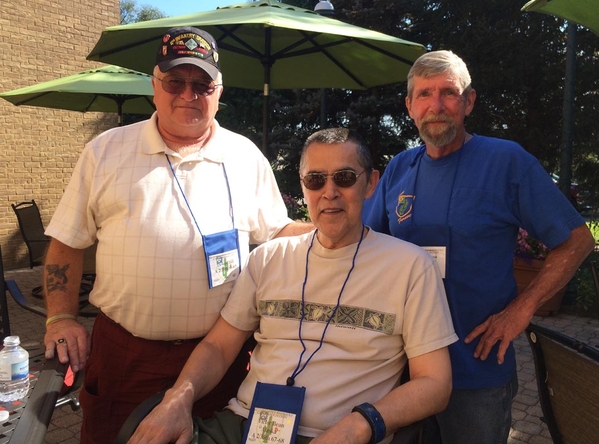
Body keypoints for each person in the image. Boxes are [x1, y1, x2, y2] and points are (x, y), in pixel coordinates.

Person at [42, 26, 311, 444]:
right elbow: (66, 241)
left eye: (202, 84)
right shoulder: (106, 151)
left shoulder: (245, 156)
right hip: (126, 357)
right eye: (175, 81)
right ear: (154, 85)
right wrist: (60, 316)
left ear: (218, 92)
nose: (189, 94)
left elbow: (278, 232)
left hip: (220, 358)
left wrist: (339, 227)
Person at [129, 128, 458, 444]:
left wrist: (359, 426)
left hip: (342, 435)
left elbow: (434, 383)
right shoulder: (268, 259)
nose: (329, 192)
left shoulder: (411, 267)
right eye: (316, 180)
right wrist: (178, 398)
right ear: (303, 188)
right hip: (246, 426)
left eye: (344, 178)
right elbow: (218, 347)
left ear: (370, 183)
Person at [362, 50, 596, 444]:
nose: (436, 106)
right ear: (409, 106)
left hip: (478, 372)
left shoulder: (506, 161)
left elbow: (577, 240)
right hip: (404, 370)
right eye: (424, 94)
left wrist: (522, 309)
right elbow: (366, 246)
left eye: (449, 93)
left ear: (468, 102)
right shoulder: (400, 168)